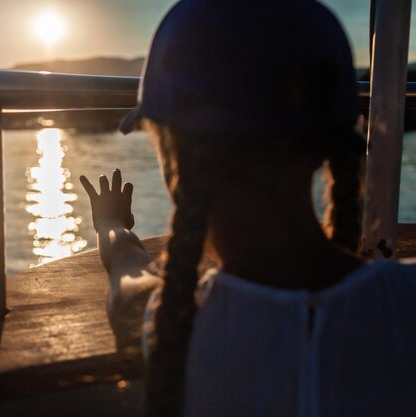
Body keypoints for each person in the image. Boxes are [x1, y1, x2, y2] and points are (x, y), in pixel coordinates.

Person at [79, 0, 416, 416]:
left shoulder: (174, 324)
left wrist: (110, 221)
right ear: (327, 145)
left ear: (175, 160)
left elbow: (126, 269)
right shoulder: (405, 303)